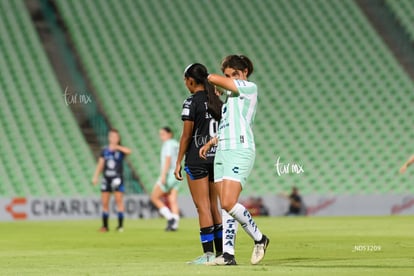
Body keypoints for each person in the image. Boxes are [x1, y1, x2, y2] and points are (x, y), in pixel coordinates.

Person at [200, 55, 269, 265]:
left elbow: (216, 80)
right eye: (228, 75)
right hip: (223, 150)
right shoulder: (230, 101)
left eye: (234, 75)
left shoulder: (249, 88)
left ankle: (260, 238)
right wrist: (211, 142)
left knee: (229, 202)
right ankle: (228, 255)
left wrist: (207, 76)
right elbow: (228, 125)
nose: (230, 79)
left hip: (240, 149)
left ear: (244, 73)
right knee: (226, 206)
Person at [174, 63, 223, 264]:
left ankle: (208, 255)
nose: (185, 83)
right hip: (217, 157)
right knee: (214, 206)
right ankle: (221, 254)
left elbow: (186, 136)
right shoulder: (217, 99)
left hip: (197, 159)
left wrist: (178, 162)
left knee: (202, 207)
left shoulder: (191, 102)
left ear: (191, 80)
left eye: (186, 80)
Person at [92, 128, 131, 232]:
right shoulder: (104, 151)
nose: (113, 138)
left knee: (119, 202)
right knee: (105, 203)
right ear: (109, 137)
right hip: (106, 179)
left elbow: (129, 151)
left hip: (117, 179)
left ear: (118, 138)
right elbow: (100, 164)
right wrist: (96, 176)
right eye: (112, 136)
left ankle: (120, 226)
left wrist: (117, 147)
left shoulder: (120, 150)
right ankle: (105, 226)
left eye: (115, 137)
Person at [150, 127, 181, 231]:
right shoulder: (176, 144)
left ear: (169, 134)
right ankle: (175, 225)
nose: (161, 136)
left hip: (169, 174)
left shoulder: (168, 144)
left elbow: (168, 159)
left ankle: (170, 218)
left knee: (154, 197)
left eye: (163, 134)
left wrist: (163, 175)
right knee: (173, 200)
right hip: (177, 173)